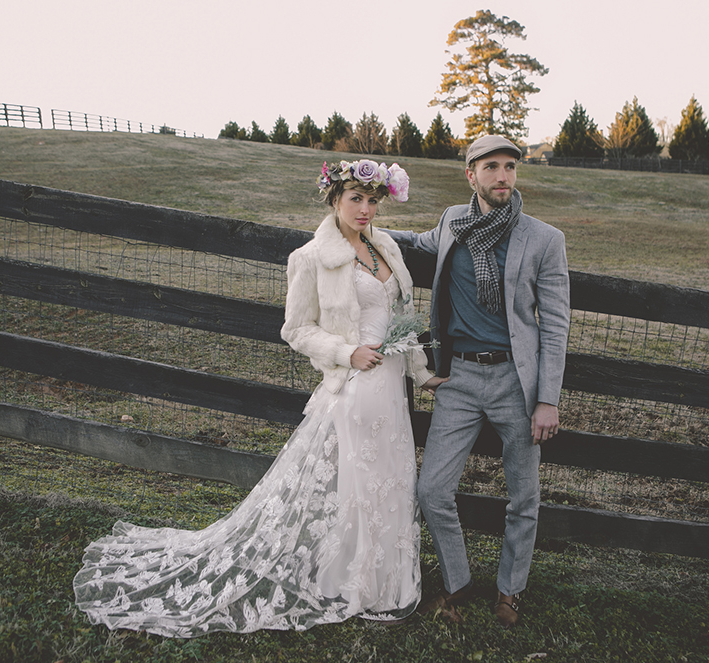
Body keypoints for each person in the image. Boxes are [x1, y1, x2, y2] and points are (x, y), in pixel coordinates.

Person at [74, 159, 438, 636]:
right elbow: (295, 328)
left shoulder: (385, 245)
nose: (366, 209)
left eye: (373, 200)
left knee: (391, 481)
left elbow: (402, 316)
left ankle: (386, 581)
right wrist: (346, 352)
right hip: (354, 387)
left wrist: (423, 374)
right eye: (356, 199)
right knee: (360, 486)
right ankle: (355, 582)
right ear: (334, 199)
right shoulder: (310, 257)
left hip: (392, 388)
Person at [387, 135, 570, 628]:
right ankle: (458, 582)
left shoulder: (544, 239)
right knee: (432, 490)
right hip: (459, 378)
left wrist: (547, 399)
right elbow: (415, 244)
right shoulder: (453, 221)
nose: (503, 176)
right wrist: (360, 229)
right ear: (471, 175)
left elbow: (555, 325)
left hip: (517, 382)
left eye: (510, 166)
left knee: (523, 495)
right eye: (491, 167)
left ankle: (511, 591)